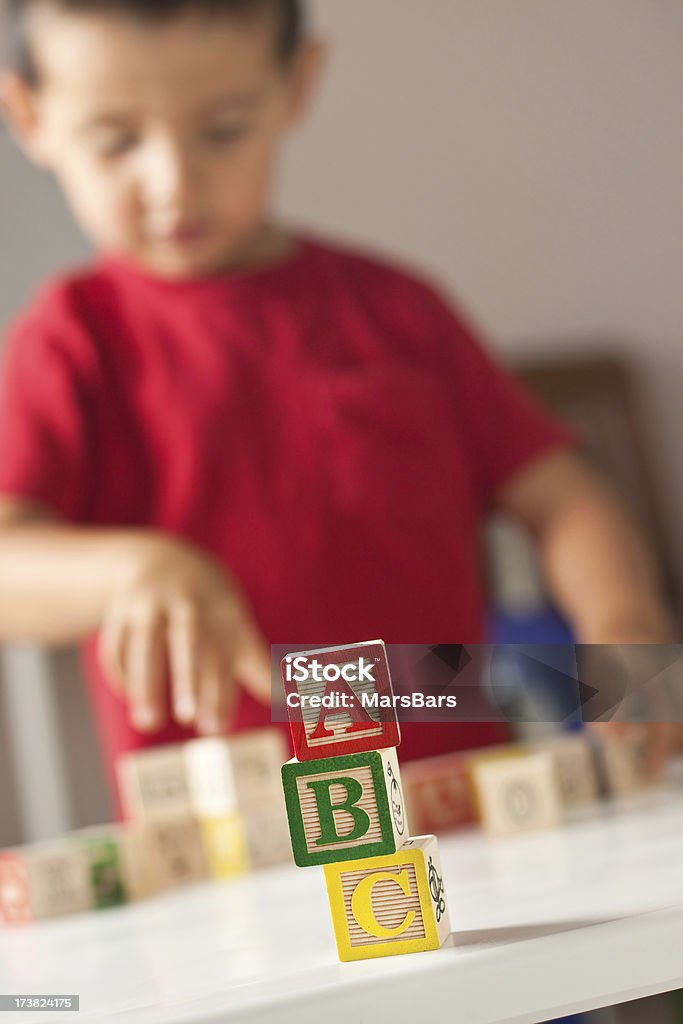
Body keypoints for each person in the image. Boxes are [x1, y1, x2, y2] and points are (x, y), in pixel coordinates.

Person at [0, 0, 677, 812]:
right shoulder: (74, 340)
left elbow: (562, 495)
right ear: (30, 118)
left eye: (221, 129)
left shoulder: (398, 310)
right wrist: (131, 569)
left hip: (465, 804)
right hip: (224, 839)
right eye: (116, 141)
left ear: (295, 86)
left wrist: (623, 621)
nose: (172, 183)